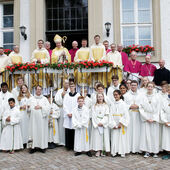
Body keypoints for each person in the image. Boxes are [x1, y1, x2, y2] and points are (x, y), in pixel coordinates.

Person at [139, 82, 160, 158]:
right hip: (146, 117)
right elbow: (140, 108)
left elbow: (158, 108)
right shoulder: (143, 96)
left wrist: (154, 118)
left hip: (154, 117)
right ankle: (147, 151)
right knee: (146, 135)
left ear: (153, 87)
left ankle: (155, 151)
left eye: (151, 87)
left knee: (154, 135)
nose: (150, 88)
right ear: (146, 87)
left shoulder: (157, 97)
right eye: (149, 86)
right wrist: (146, 118)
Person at [28, 85, 50, 154]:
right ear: (35, 90)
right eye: (37, 89)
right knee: (32, 132)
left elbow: (48, 108)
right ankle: (32, 147)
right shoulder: (31, 99)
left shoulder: (44, 99)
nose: (38, 91)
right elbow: (28, 109)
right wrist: (30, 108)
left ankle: (42, 147)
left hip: (42, 120)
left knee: (41, 132)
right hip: (33, 120)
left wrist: (41, 107)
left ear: (42, 90)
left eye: (40, 89)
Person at [109, 90, 130, 157]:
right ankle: (114, 152)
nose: (115, 96)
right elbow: (110, 115)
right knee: (114, 137)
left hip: (121, 124)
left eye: (117, 94)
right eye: (114, 95)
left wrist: (121, 123)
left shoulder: (123, 104)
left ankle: (122, 152)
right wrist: (113, 124)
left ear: (120, 95)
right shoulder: (112, 104)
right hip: (114, 123)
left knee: (121, 138)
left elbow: (126, 115)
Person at [124, 80, 143, 153]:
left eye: (135, 85)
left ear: (137, 85)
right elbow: (124, 104)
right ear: (130, 86)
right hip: (130, 115)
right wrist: (130, 106)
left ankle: (137, 149)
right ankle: (130, 148)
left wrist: (138, 106)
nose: (133, 86)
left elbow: (143, 104)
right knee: (130, 131)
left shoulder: (141, 95)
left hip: (138, 115)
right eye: (132, 85)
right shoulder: (126, 95)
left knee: (137, 132)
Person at [63, 82, 80, 150]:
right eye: (70, 86)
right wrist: (68, 113)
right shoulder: (66, 95)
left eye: (73, 86)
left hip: (74, 115)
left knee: (74, 129)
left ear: (75, 87)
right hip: (68, 115)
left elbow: (78, 104)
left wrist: (73, 113)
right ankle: (68, 146)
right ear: (69, 87)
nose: (72, 87)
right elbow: (64, 105)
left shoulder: (77, 95)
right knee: (68, 130)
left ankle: (73, 145)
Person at [55, 79, 70, 146]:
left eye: (68, 83)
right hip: (61, 110)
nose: (67, 84)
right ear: (63, 84)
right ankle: (61, 141)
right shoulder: (59, 91)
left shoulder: (70, 91)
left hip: (68, 111)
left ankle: (68, 141)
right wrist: (61, 95)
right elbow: (57, 100)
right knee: (61, 125)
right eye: (65, 83)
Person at [161, 84, 170, 160]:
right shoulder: (164, 100)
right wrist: (165, 121)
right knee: (167, 138)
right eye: (169, 90)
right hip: (167, 121)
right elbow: (162, 111)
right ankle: (169, 153)